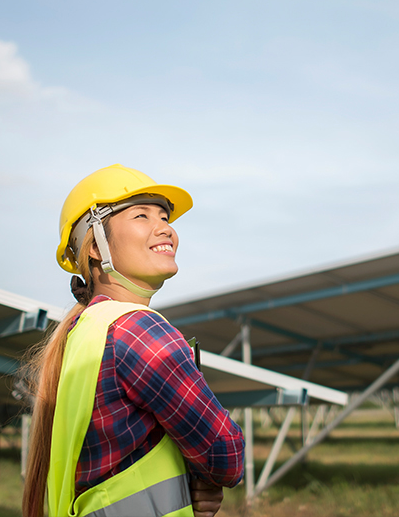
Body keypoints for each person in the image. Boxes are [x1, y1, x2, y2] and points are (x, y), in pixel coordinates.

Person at [22, 164, 245, 517]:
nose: (165, 229)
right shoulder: (137, 330)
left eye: (165, 217)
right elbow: (225, 454)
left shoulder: (83, 329)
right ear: (95, 246)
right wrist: (203, 477)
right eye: (142, 215)